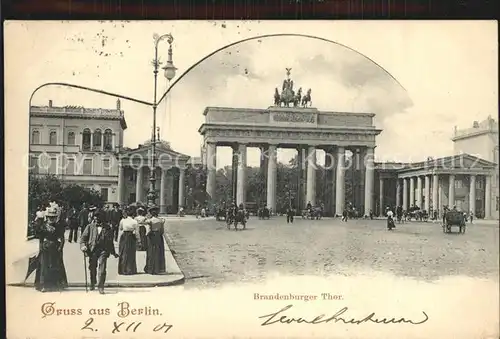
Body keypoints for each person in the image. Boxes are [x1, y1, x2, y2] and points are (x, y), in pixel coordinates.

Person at [80, 209, 118, 294]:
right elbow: (83, 239)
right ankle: (93, 283)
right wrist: (83, 246)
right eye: (95, 216)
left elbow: (110, 241)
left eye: (98, 216)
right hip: (92, 250)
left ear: (103, 218)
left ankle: (101, 286)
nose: (96, 218)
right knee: (92, 268)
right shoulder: (90, 226)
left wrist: (113, 252)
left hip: (103, 250)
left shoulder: (108, 228)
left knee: (102, 269)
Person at [34, 206, 68, 292]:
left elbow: (62, 238)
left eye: (53, 217)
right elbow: (40, 239)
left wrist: (60, 247)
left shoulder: (58, 227)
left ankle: (55, 285)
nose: (51, 219)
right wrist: (41, 248)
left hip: (55, 248)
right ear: (47, 217)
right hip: (45, 248)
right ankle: (44, 285)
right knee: (44, 267)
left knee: (55, 266)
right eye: (50, 217)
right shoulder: (43, 226)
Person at [144, 205, 166, 275]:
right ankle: (159, 268)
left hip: (151, 236)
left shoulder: (149, 221)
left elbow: (148, 231)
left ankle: (150, 268)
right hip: (158, 236)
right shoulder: (161, 221)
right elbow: (162, 231)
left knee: (151, 252)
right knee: (158, 251)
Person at [118, 205, 140, 275]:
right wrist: (139, 241)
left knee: (123, 252)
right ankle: (130, 269)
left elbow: (120, 228)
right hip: (131, 237)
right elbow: (137, 232)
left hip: (124, 236)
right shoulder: (135, 222)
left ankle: (122, 269)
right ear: (133, 214)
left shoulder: (122, 220)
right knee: (130, 253)